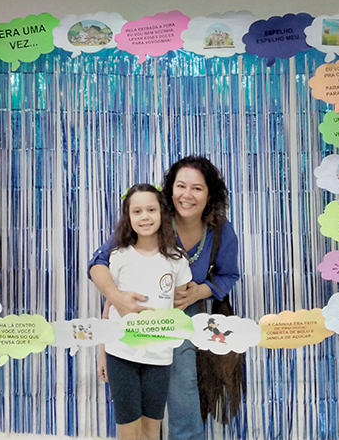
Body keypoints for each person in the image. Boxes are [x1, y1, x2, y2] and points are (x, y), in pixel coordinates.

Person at [89, 156, 240, 440]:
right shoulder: (151, 216)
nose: (187, 195)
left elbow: (228, 275)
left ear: (210, 195)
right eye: (180, 186)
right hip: (134, 315)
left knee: (183, 382)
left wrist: (199, 291)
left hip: (182, 314)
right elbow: (100, 263)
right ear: (170, 190)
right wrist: (118, 299)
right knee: (135, 393)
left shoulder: (220, 229)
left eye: (197, 188)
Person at [98, 183, 192, 440]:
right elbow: (108, 310)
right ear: (128, 217)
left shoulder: (177, 260)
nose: (145, 217)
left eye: (151, 210)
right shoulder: (118, 256)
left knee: (151, 431)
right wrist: (103, 354)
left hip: (159, 358)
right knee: (128, 431)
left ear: (162, 213)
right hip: (121, 355)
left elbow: (178, 304)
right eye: (137, 211)